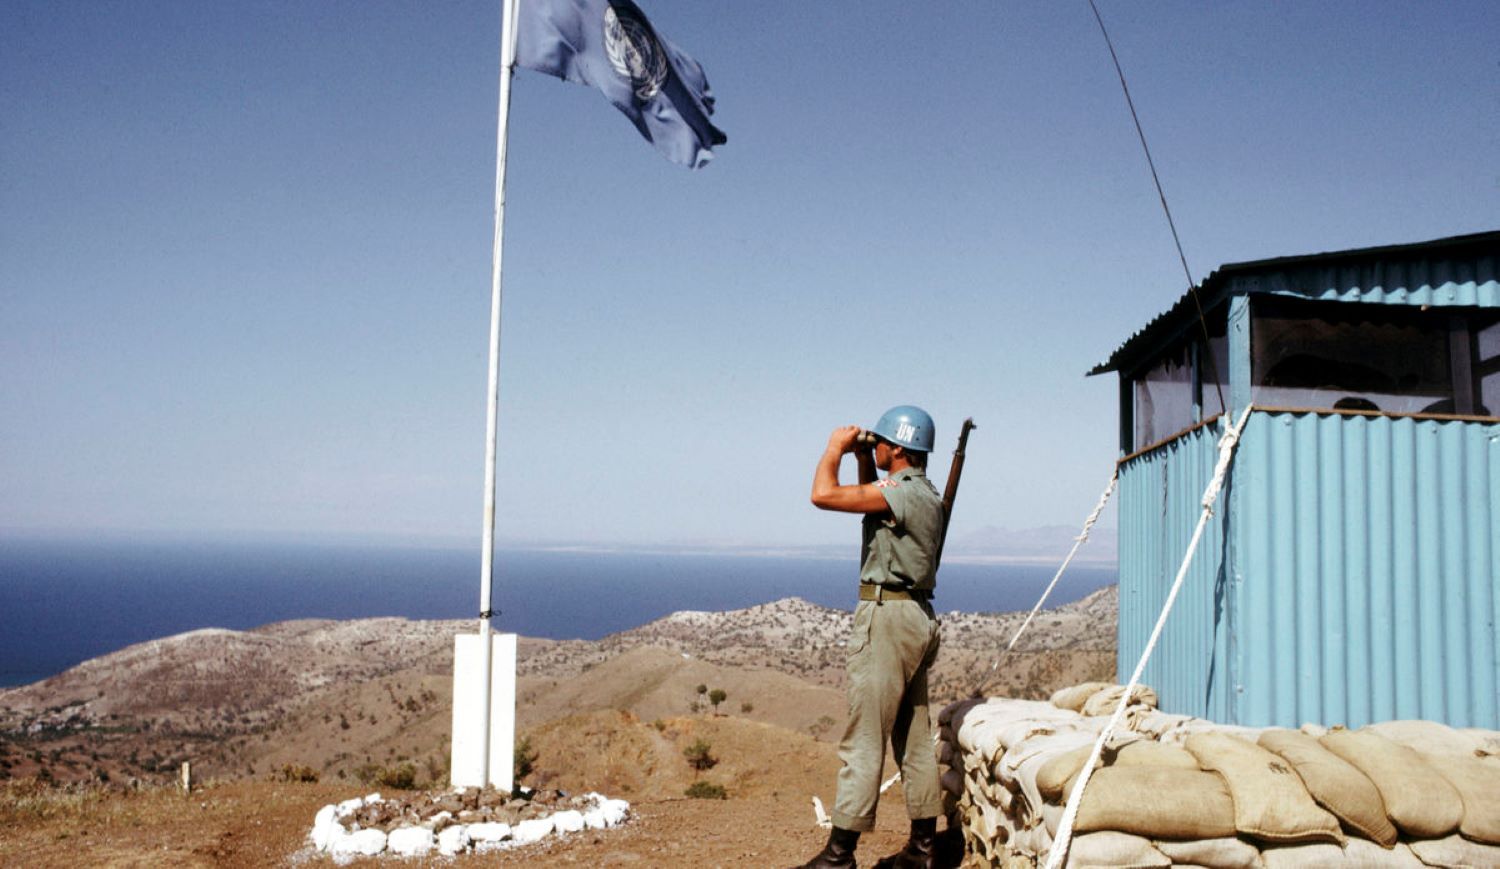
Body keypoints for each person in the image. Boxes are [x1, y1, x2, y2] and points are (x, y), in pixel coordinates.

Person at [794, 406, 945, 869]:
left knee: (864, 738)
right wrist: (864, 456)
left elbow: (824, 495)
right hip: (915, 617)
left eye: (879, 442)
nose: (874, 446)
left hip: (888, 620)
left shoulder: (899, 492)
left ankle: (840, 855)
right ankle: (922, 848)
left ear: (898, 447)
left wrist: (834, 448)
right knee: (913, 737)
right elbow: (868, 494)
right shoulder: (920, 493)